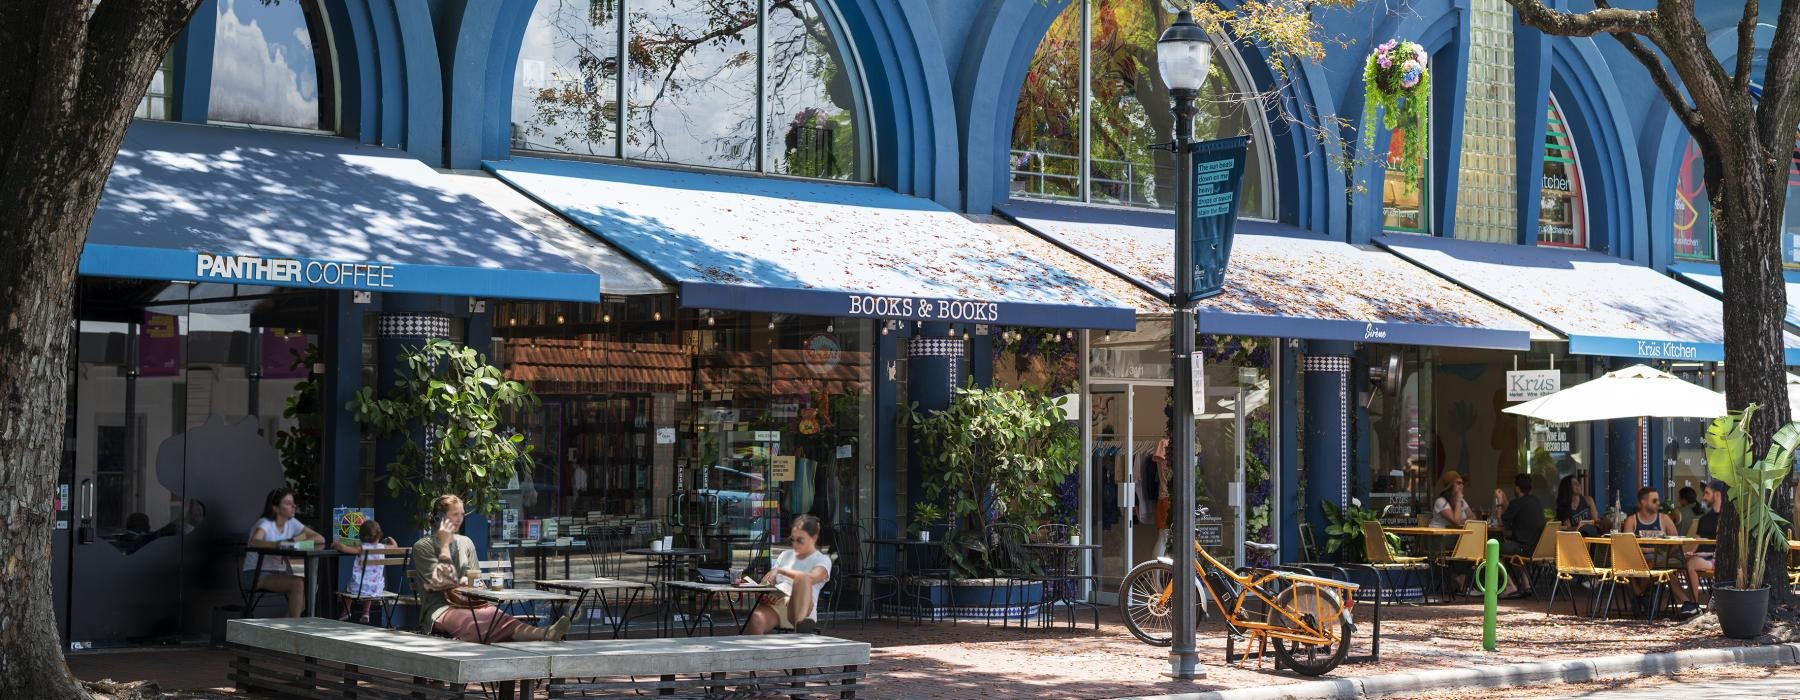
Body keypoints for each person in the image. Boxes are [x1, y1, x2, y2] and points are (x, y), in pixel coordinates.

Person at [412, 495, 568, 643]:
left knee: (500, 617)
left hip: (470, 603)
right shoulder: (423, 547)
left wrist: (476, 585)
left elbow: (476, 578)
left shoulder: (465, 542)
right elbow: (440, 582)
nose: (460, 519)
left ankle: (546, 633)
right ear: (440, 517)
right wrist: (445, 544)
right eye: (455, 514)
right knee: (476, 625)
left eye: (462, 514)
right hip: (441, 608)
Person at [243, 488, 327, 618]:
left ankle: (288, 623)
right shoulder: (265, 523)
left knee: (311, 585)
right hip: (256, 573)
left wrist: (295, 542)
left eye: (293, 503)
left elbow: (320, 539)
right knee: (298, 584)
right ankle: (293, 627)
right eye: (288, 503)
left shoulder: (291, 523)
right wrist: (277, 544)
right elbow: (253, 542)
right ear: (275, 508)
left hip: (280, 572)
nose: (293, 506)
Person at [744, 515, 832, 635]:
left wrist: (780, 570)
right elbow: (768, 581)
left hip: (802, 606)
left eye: (800, 540)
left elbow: (809, 578)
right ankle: (756, 654)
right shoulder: (784, 555)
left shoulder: (822, 560)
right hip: (778, 604)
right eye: (792, 539)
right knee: (756, 619)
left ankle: (800, 625)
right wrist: (768, 593)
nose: (795, 543)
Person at [1674, 480, 1724, 614]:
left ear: (1717, 495)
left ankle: (1694, 604)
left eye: (1707, 493)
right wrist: (1691, 552)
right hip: (1703, 557)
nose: (1704, 497)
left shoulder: (1727, 519)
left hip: (1719, 559)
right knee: (1674, 568)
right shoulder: (1704, 518)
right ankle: (1688, 602)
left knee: (1690, 564)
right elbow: (1699, 540)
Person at [338, 519, 398, 624]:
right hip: (377, 588)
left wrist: (337, 545)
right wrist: (390, 539)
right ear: (379, 535)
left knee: (349, 588)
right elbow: (395, 547)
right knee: (369, 586)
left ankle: (346, 612)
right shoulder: (382, 547)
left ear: (361, 535)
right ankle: (366, 612)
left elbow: (345, 549)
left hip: (359, 587)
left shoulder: (362, 548)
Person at [1498, 474, 1546, 598]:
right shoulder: (1536, 501)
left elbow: (1501, 522)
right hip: (1538, 549)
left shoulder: (1517, 503)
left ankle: (1510, 586)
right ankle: (1526, 584)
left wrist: (1499, 503)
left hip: (1523, 549)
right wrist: (1505, 502)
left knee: (1493, 550)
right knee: (1513, 547)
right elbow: (1513, 511)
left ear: (1517, 488)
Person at [1555, 472, 1603, 537]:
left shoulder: (1588, 500)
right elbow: (1568, 529)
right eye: (1574, 483)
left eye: (1578, 483)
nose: (1578, 484)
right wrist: (1582, 529)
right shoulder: (1564, 507)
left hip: (1591, 535)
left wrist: (1606, 522)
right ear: (1567, 487)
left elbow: (1596, 520)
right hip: (1575, 539)